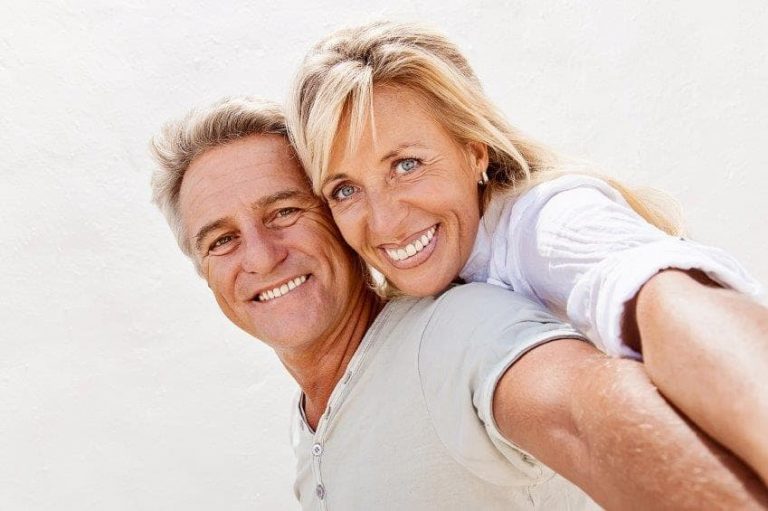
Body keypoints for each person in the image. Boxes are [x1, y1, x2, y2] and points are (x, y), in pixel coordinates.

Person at [149, 96, 768, 510]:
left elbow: (591, 418)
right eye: (221, 240)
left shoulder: (456, 333)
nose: (260, 257)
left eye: (284, 212)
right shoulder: (313, 422)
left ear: (336, 221)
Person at [288, 20, 768, 484]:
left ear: (475, 152)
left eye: (406, 165)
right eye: (345, 190)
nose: (385, 222)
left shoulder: (544, 223)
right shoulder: (419, 307)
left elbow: (661, 292)